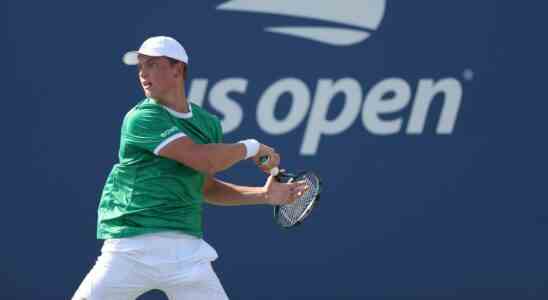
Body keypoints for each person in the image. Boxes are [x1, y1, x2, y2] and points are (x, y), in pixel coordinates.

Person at [72, 36, 308, 300]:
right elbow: (203, 158)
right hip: (131, 248)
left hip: (186, 253)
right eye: (140, 66)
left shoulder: (208, 124)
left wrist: (263, 196)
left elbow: (205, 187)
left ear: (178, 69)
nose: (142, 73)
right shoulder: (141, 118)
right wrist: (251, 147)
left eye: (151, 64)